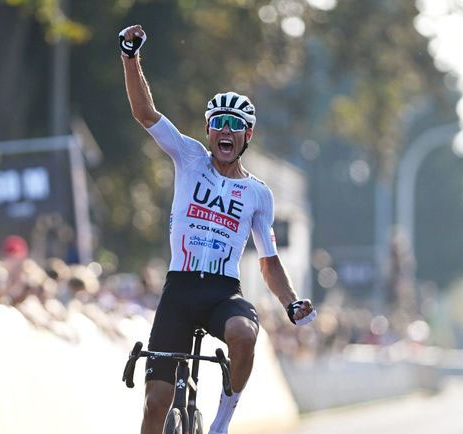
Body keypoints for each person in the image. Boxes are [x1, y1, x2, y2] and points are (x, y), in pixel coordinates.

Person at [119, 24, 316, 434]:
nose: (226, 130)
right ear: (208, 130)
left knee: (244, 334)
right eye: (219, 122)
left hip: (222, 293)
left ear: (247, 135)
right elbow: (144, 114)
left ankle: (221, 423)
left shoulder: (258, 194)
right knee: (156, 403)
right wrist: (130, 56)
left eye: (235, 124)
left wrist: (291, 302)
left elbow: (269, 262)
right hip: (181, 288)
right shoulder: (189, 157)